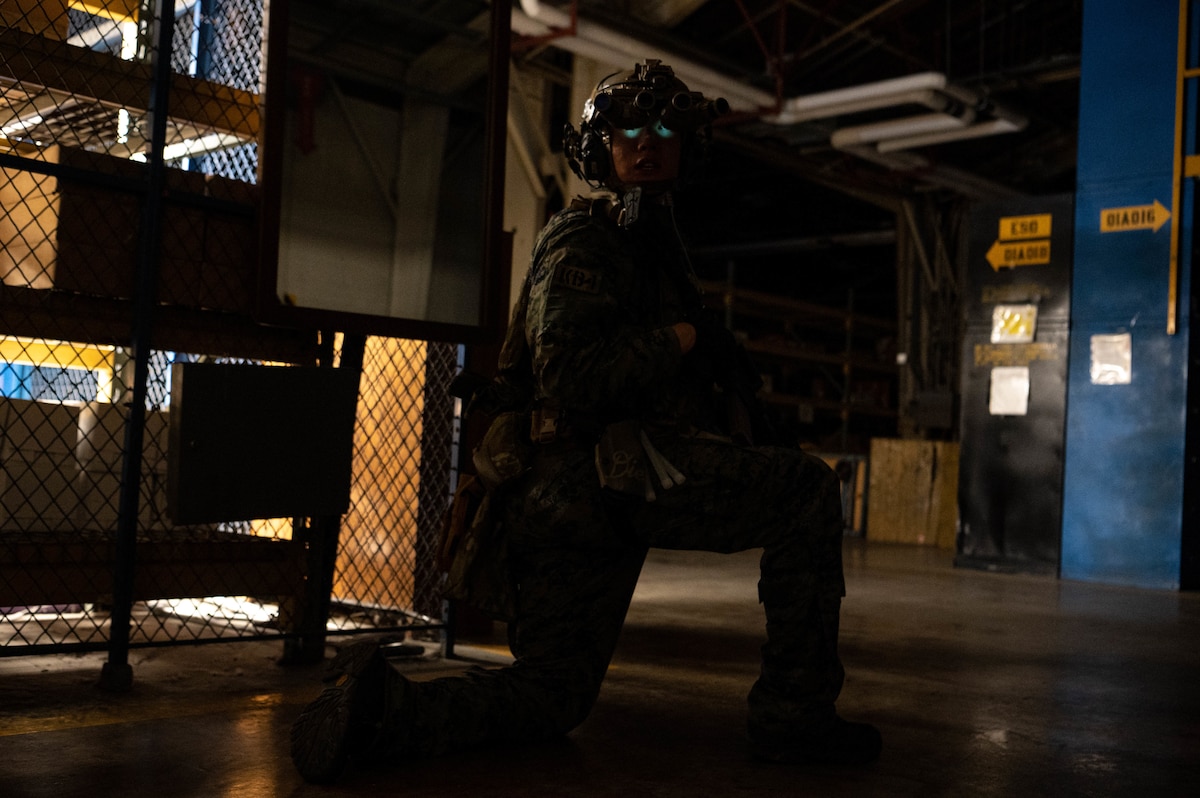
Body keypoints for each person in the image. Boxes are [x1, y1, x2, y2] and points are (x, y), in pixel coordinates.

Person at [289, 59, 881, 784]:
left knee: (552, 697)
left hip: (593, 486)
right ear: (602, 149)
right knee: (805, 492)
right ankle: (796, 718)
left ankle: (377, 712)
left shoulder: (649, 247)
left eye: (664, 126)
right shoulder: (586, 241)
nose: (646, 141)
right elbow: (571, 376)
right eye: (628, 128)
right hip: (591, 481)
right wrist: (684, 339)